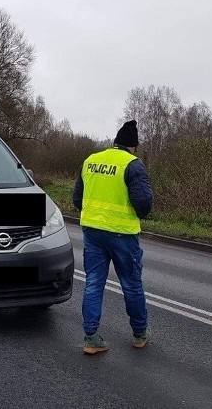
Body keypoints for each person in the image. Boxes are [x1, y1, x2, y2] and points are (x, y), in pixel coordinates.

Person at [72, 119, 154, 355]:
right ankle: (139, 334)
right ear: (134, 147)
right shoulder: (133, 165)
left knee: (94, 283)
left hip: (92, 232)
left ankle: (91, 338)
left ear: (114, 142)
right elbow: (143, 204)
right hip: (122, 234)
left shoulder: (91, 160)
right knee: (131, 284)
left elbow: (77, 199)